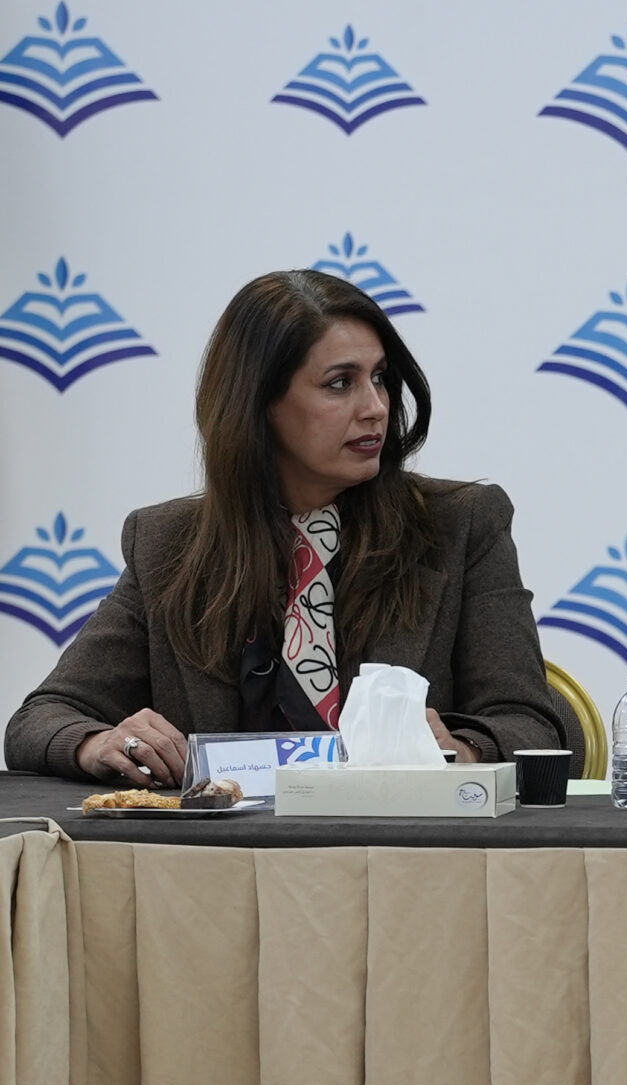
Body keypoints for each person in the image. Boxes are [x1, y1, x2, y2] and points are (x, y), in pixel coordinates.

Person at [7, 271, 571, 783]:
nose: (376, 407)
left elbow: (534, 725)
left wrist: (460, 751)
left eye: (379, 378)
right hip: (224, 855)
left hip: (403, 850)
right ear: (257, 403)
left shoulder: (460, 524)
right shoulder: (167, 543)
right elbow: (42, 718)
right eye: (339, 383)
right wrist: (101, 743)